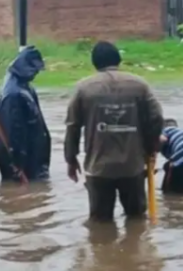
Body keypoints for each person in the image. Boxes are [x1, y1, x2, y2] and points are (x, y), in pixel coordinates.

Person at [64, 41, 164, 221]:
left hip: (99, 167)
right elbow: (156, 118)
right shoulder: (140, 85)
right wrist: (150, 148)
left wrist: (71, 159)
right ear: (118, 59)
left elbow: (73, 126)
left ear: (94, 63)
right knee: (136, 220)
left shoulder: (83, 88)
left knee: (100, 223)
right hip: (132, 166)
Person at [0, 46, 51, 181]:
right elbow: (13, 132)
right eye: (34, 70)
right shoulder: (13, 94)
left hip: (34, 156)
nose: (36, 73)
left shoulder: (24, 86)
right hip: (24, 161)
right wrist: (18, 164)